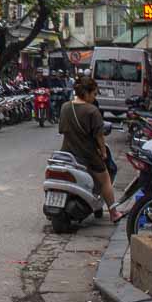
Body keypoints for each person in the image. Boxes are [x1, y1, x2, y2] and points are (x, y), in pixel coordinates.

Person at [59, 76, 122, 222]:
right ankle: (113, 213)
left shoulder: (65, 107)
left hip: (67, 153)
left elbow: (63, 130)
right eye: (94, 94)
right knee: (105, 179)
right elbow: (99, 137)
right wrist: (104, 152)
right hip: (87, 155)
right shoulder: (92, 111)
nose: (95, 97)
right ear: (86, 93)